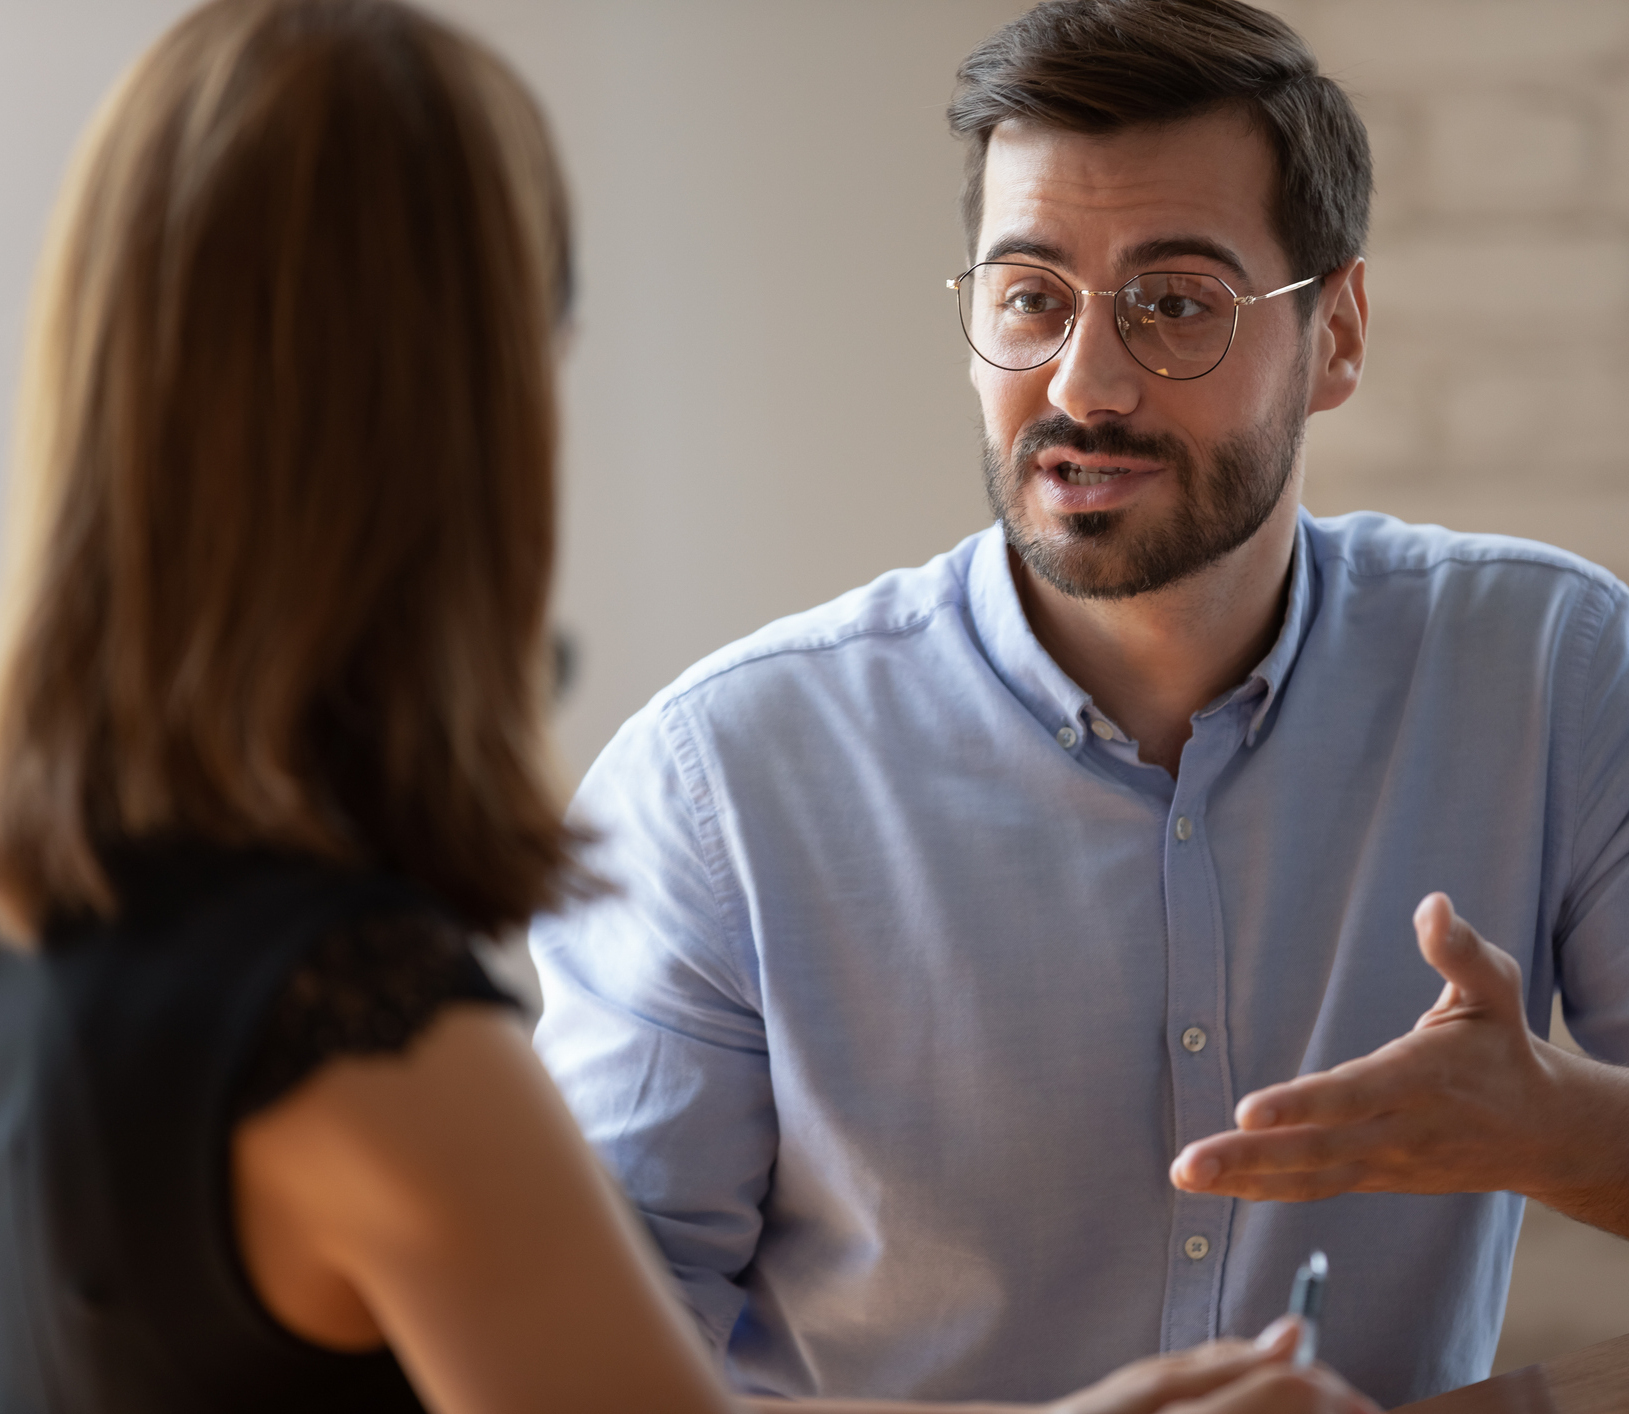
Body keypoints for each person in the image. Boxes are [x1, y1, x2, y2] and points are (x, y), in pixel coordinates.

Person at [0, 2, 1376, 1413]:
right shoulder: (379, 1052)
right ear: (460, 424)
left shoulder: (61, 924)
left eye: (1176, 303)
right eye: (543, 339)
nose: (1089, 380)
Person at [532, 0, 1629, 1408]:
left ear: (1336, 336)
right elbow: (563, 1379)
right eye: (1030, 297)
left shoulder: (1549, 669)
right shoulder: (717, 784)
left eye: (1174, 303)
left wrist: (1557, 1129)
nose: (1084, 383)